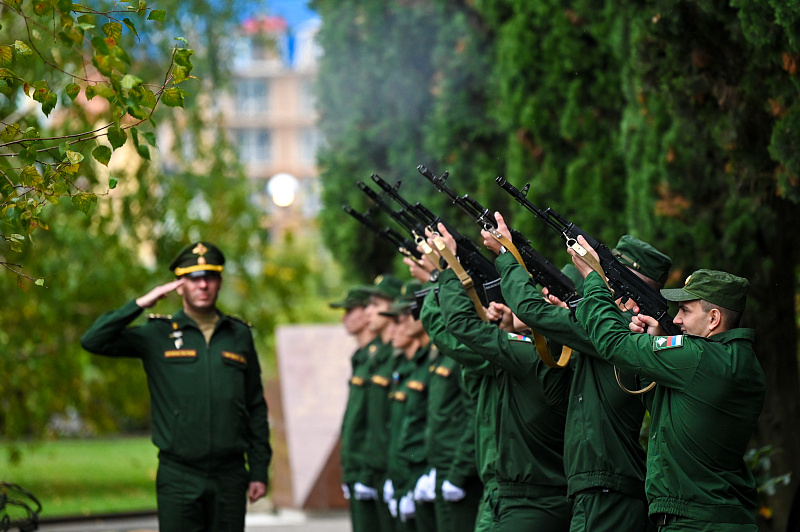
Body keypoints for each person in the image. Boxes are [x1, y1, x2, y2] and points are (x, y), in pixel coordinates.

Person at [483, 213, 669, 531]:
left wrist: (507, 256)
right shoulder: (620, 328)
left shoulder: (614, 329)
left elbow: (531, 309)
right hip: (602, 487)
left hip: (607, 490)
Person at [570, 236, 766, 531]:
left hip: (694, 522)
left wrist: (594, 281)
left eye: (685, 311)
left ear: (713, 318)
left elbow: (613, 343)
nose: (677, 319)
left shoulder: (698, 357)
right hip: (716, 517)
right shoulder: (736, 361)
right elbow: (668, 409)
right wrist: (655, 346)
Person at [80, 241, 272, 532]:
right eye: (194, 278)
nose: (203, 285)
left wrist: (258, 470)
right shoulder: (157, 334)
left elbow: (255, 405)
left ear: (219, 281)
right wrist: (141, 303)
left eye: (209, 277)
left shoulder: (238, 335)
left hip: (230, 474)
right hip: (179, 474)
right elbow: (93, 339)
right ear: (180, 285)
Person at [433, 224, 573, 531]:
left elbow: (459, 325)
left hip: (526, 503)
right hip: (544, 498)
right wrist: (511, 332)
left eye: (544, 297)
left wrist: (449, 265)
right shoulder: (566, 358)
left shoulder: (531, 358)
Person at [330, 286, 381, 532]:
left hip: (372, 469)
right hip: (357, 468)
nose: (345, 317)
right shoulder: (361, 357)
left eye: (351, 310)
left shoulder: (380, 355)